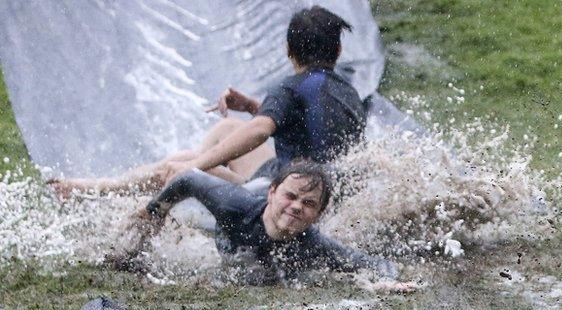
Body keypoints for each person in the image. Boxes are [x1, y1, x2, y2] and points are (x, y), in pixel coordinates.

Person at [50, 6, 366, 197]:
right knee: (226, 126)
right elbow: (312, 127)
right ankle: (193, 195)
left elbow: (258, 132)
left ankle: (100, 191)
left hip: (283, 192)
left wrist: (195, 167)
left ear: (288, 50)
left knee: (178, 166)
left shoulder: (292, 86)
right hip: (321, 188)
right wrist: (257, 107)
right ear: (337, 51)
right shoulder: (346, 90)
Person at [111, 160, 413, 291]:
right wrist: (154, 214)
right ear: (275, 193)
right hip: (246, 198)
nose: (296, 206)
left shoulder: (313, 244)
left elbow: (371, 263)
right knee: (193, 219)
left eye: (308, 204)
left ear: (318, 215)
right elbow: (189, 178)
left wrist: (386, 280)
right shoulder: (233, 205)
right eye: (291, 197)